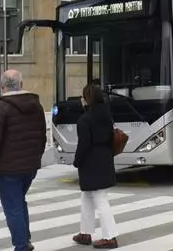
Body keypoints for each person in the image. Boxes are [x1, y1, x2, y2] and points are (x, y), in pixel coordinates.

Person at [0, 70, 47, 251]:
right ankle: (25, 238)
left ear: (2, 87)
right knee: (19, 201)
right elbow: (42, 136)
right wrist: (36, 158)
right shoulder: (36, 105)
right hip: (30, 166)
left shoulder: (1, 108)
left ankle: (21, 245)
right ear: (21, 85)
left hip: (8, 167)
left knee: (13, 206)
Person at [72, 84, 119, 249]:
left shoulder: (85, 120)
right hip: (105, 159)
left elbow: (84, 144)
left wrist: (77, 161)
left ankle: (110, 236)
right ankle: (85, 232)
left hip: (91, 162)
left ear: (87, 99)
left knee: (99, 199)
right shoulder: (106, 115)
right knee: (87, 197)